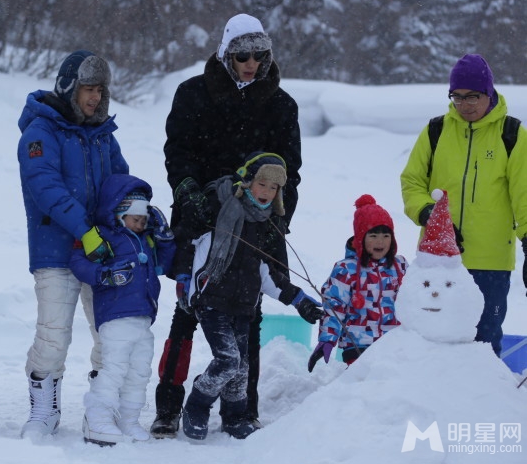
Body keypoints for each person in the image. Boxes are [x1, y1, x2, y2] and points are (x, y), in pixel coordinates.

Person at [152, 13, 303, 437]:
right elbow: (176, 153)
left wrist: (279, 216)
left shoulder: (280, 103)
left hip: (256, 221)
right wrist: (188, 194)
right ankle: (168, 406)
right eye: (242, 55)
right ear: (226, 54)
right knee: (186, 315)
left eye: (259, 54)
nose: (251, 62)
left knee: (247, 317)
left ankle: (241, 410)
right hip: (201, 217)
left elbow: (291, 170)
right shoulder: (193, 93)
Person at [17, 50, 129, 438]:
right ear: (69, 87)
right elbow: (47, 188)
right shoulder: (40, 133)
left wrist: (136, 213)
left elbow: (120, 183)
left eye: (100, 90)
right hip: (57, 251)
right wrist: (85, 231)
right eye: (87, 89)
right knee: (53, 335)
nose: (95, 97)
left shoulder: (102, 136)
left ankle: (99, 408)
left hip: (101, 253)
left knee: (110, 333)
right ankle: (43, 412)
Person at [179, 153, 321, 441]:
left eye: (274, 188)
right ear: (248, 181)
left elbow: (267, 274)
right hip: (212, 303)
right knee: (228, 360)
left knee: (242, 366)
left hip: (244, 306)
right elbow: (191, 246)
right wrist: (187, 284)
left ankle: (234, 416)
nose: (267, 192)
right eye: (262, 184)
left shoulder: (265, 225)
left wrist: (299, 300)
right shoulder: (221, 208)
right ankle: (196, 404)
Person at [401, 54, 527, 356]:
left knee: (483, 345)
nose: (465, 104)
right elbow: (412, 182)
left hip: (491, 262)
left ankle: (481, 403)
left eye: (472, 96)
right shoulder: (436, 131)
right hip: (438, 261)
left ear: (489, 93)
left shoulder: (511, 134)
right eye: (457, 97)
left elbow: (525, 195)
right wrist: (428, 214)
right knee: (431, 340)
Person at [68, 174, 175, 445]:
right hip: (115, 315)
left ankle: (128, 419)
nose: (140, 225)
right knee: (114, 368)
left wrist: (164, 237)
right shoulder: (103, 237)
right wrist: (104, 274)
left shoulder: (146, 240)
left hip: (142, 317)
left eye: (143, 221)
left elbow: (165, 264)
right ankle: (98, 416)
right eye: (135, 219)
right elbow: (79, 263)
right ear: (119, 213)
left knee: (140, 370)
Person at [308, 195, 407, 371]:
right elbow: (334, 307)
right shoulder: (347, 270)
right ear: (361, 237)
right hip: (358, 345)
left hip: (395, 344)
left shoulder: (400, 267)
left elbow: (416, 299)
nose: (380, 241)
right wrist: (327, 339)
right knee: (366, 389)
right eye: (373, 235)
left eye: (386, 235)